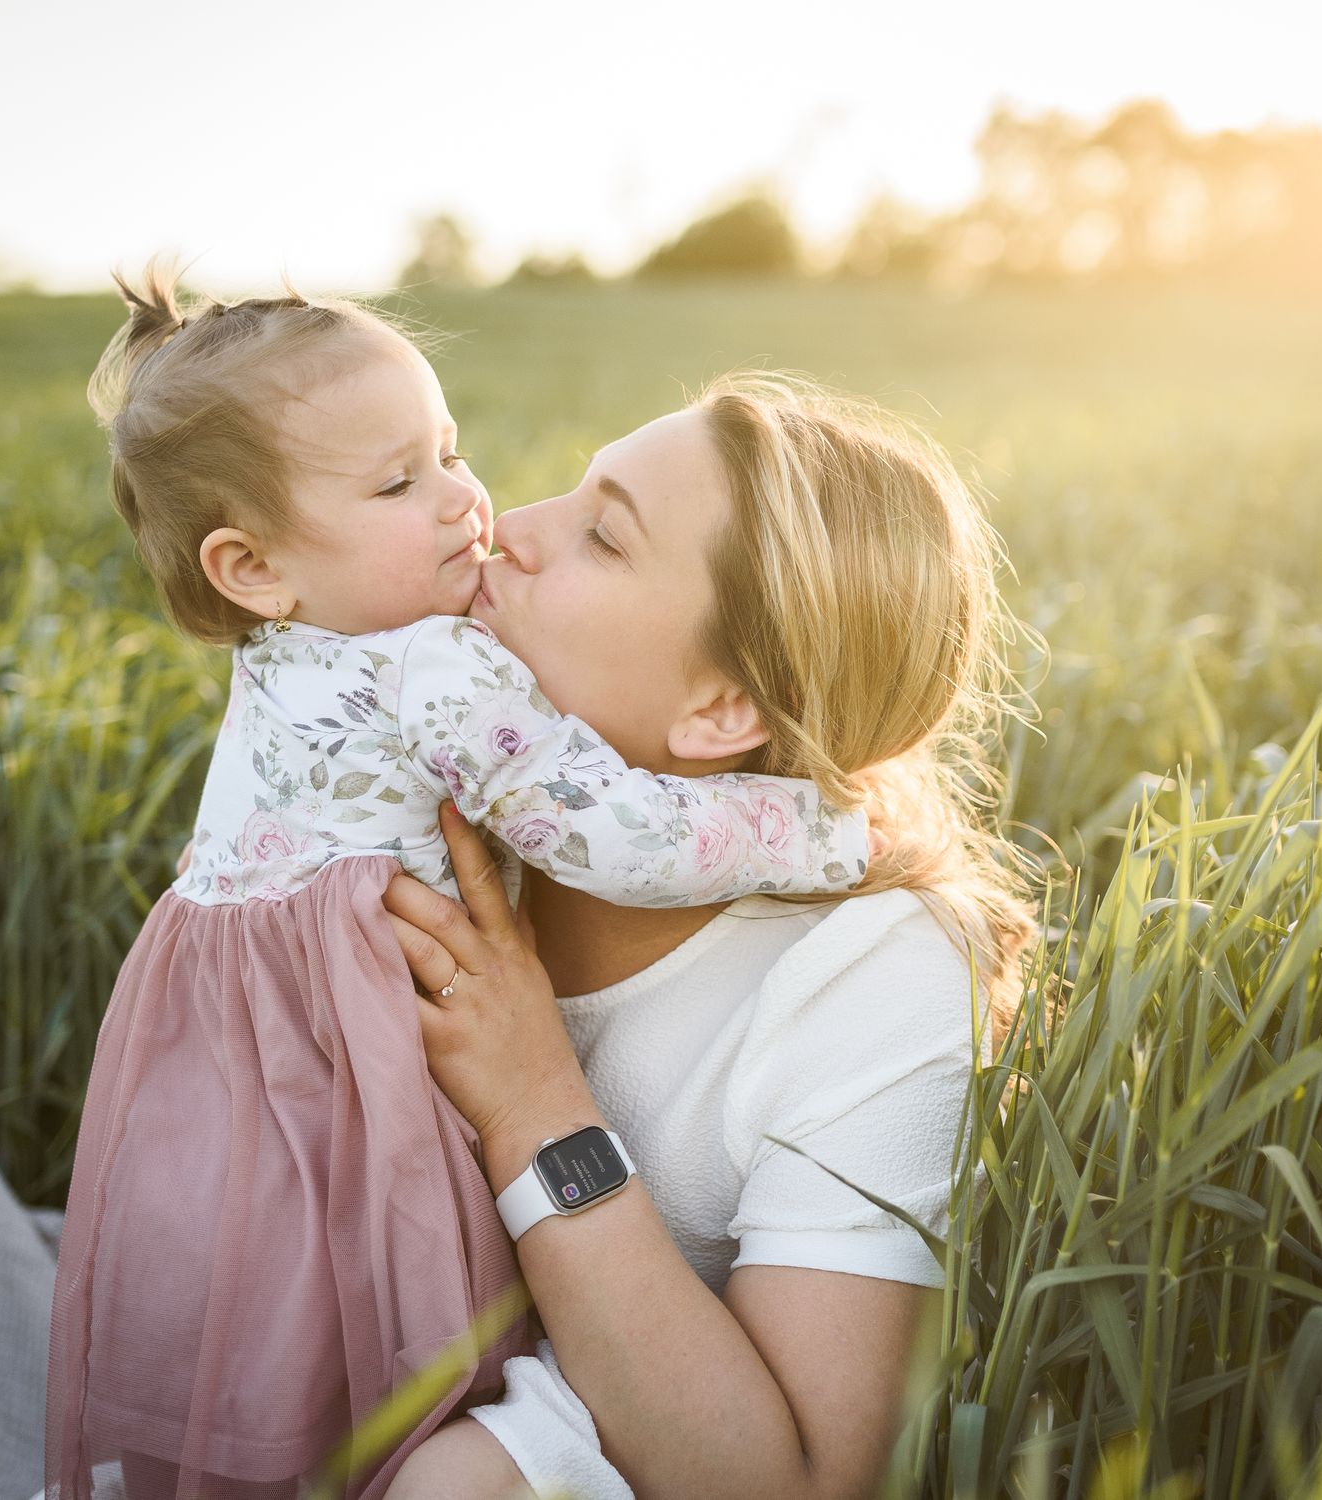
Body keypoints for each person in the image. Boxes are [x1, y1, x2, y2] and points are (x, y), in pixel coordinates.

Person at [45, 267, 874, 1500]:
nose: (466, 505)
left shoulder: (288, 649)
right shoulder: (435, 667)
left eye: (449, 452)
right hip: (361, 1057)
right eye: (398, 483)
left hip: (225, 1071)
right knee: (410, 1325)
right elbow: (615, 834)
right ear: (252, 567)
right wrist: (821, 831)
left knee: (267, 1323)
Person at [374, 374, 1041, 1499]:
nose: (510, 529)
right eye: (568, 491)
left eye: (604, 536)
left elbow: (796, 1483)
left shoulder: (878, 970)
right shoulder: (431, 804)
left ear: (725, 709)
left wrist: (536, 1103)